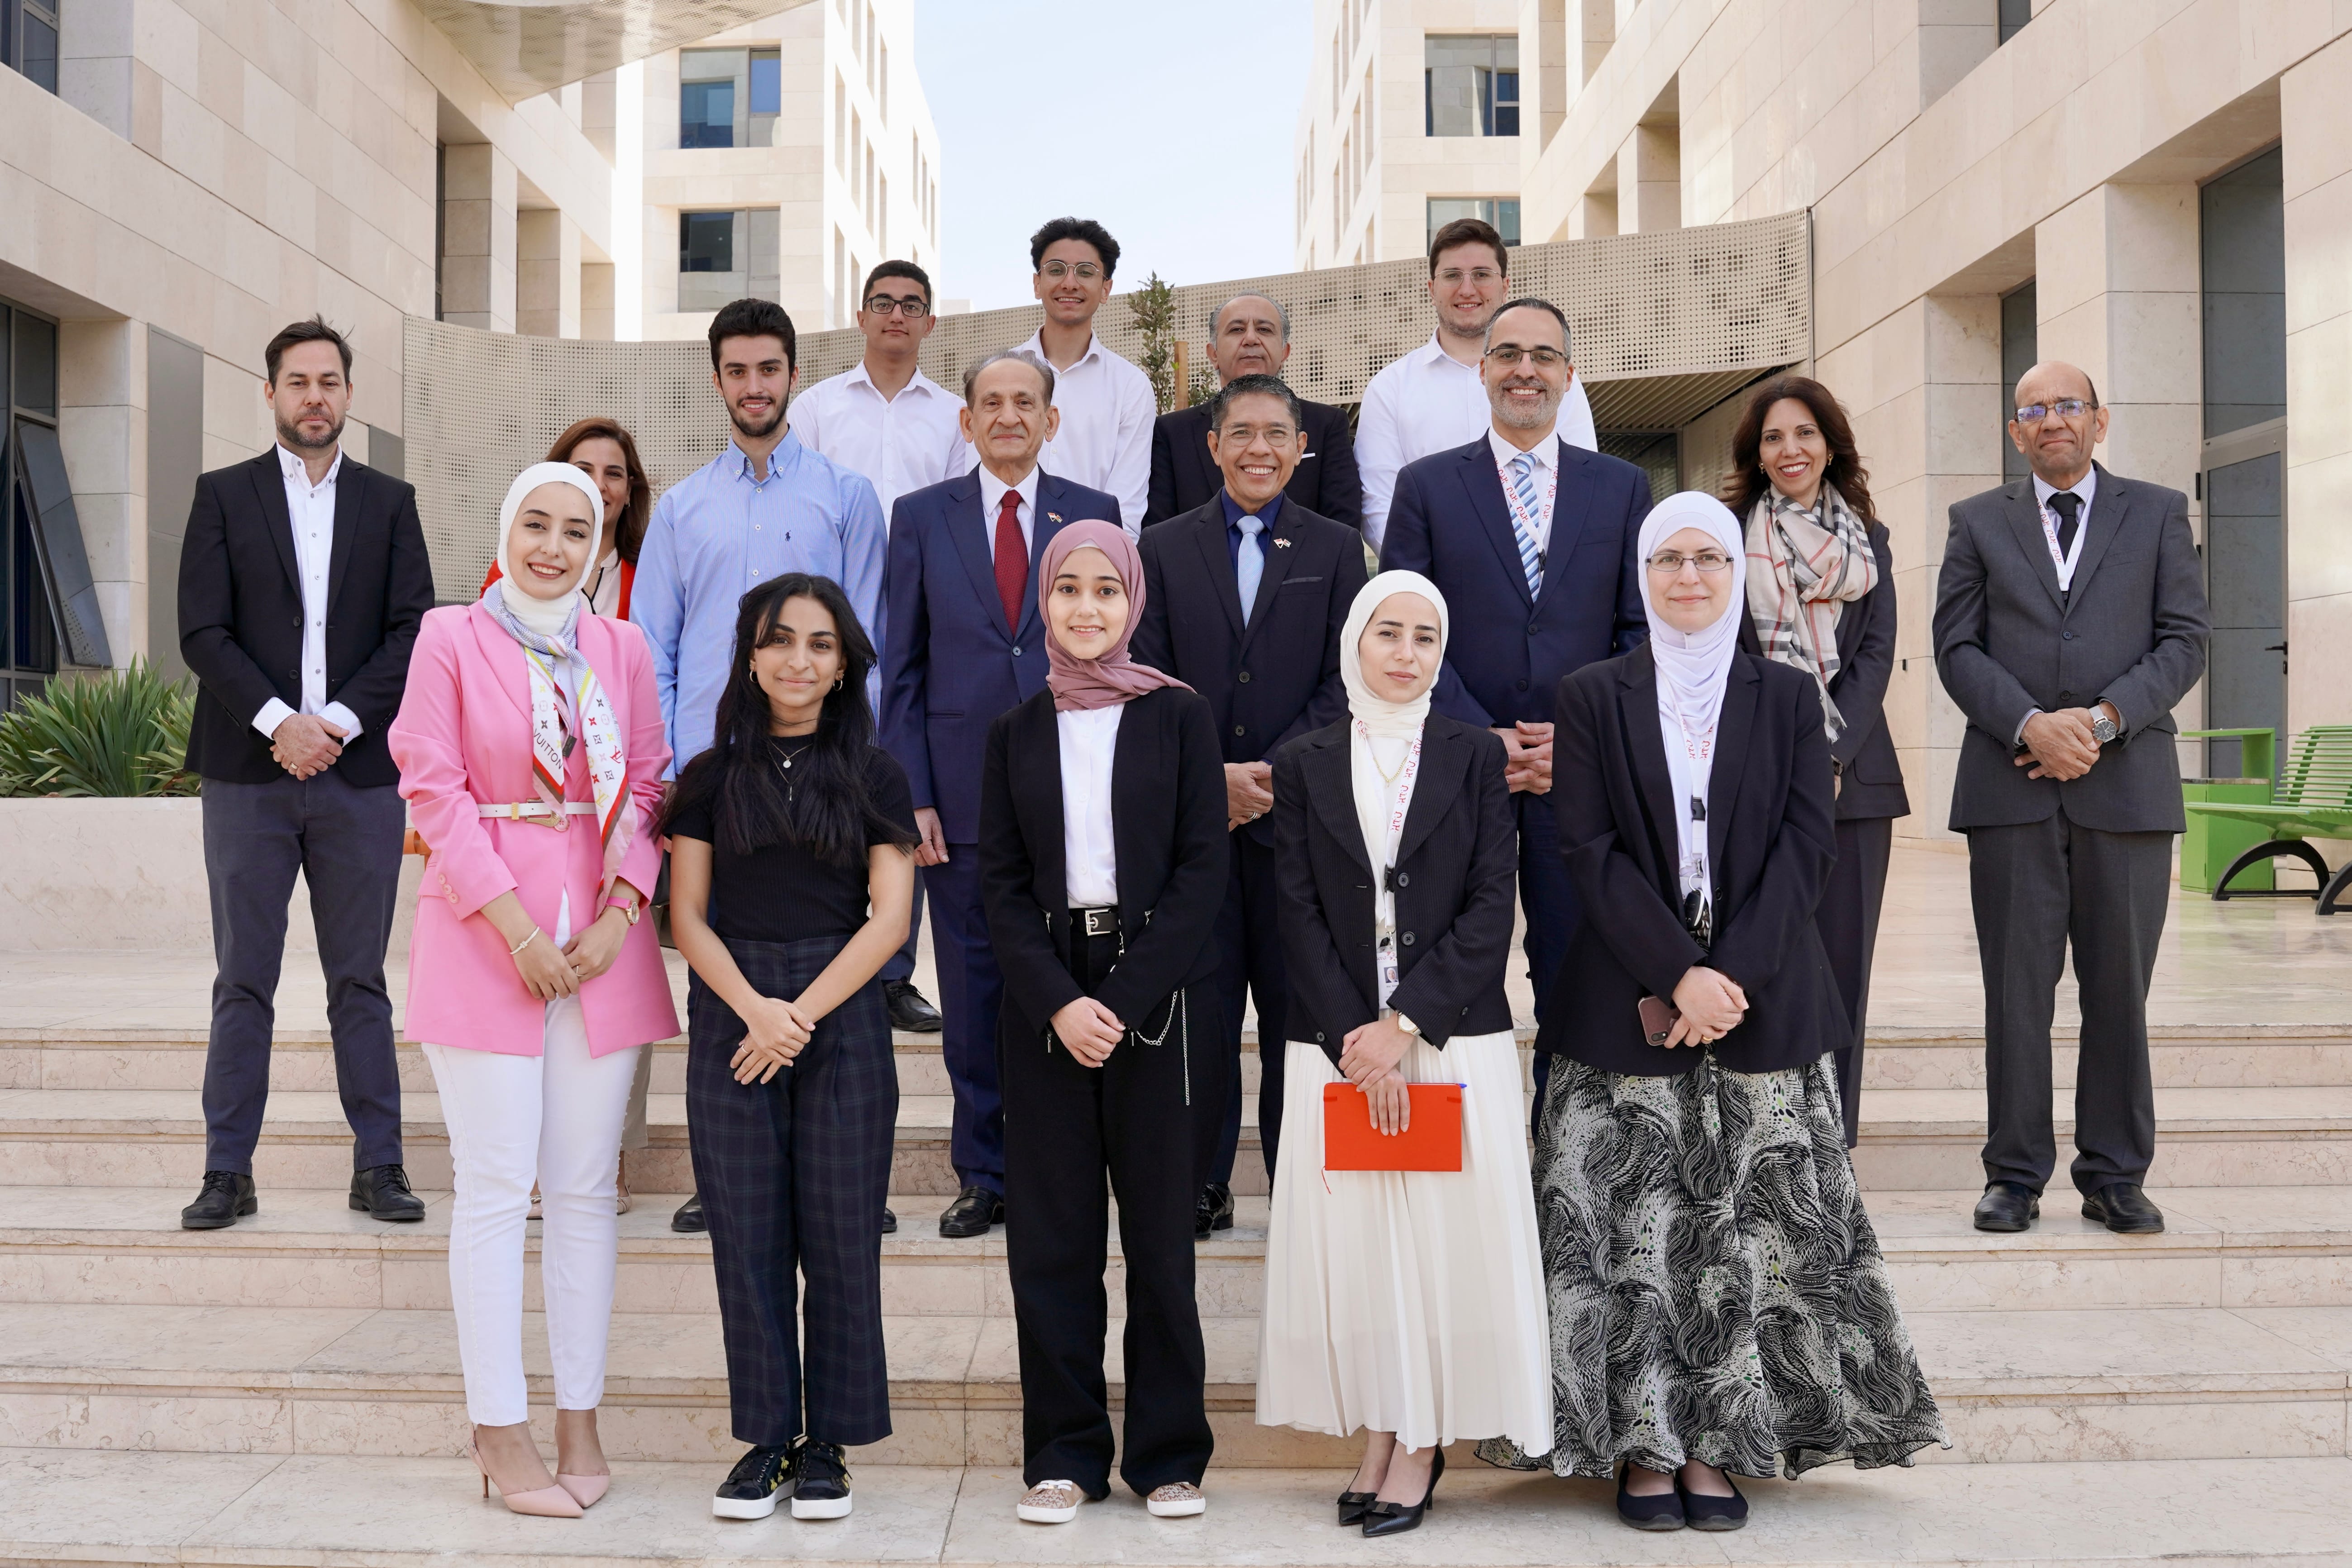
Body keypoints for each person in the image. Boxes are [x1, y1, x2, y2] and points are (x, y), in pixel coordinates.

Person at [1493, 491, 1945, 1530]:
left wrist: (1726, 973)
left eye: (1706, 558)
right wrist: (1674, 972)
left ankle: (1723, 1446)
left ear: (1733, 576)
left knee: (1747, 1243)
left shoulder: (1787, 697)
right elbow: (1587, 851)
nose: (1688, 578)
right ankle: (1643, 1452)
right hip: (1620, 998)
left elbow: (1805, 845)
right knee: (1635, 1244)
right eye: (1667, 561)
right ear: (1641, 577)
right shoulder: (1593, 694)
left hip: (1765, 993)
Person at [389, 463, 677, 1517]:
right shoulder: (450, 636)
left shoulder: (624, 648)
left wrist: (616, 917)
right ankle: (498, 1430)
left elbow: (649, 784)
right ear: (506, 529)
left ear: (601, 547)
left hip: (604, 945)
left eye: (576, 530)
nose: (554, 546)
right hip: (483, 936)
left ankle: (578, 1418)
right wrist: (514, 926)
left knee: (587, 1189)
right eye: (535, 524)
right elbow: (430, 780)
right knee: (499, 1184)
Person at [1255, 571, 1550, 1539]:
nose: (1407, 652)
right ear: (1355, 641)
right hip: (1338, 1051)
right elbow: (1292, 908)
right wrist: (1357, 1035)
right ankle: (1383, 1426)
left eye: (1427, 635)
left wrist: (1403, 1026)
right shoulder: (1302, 760)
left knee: (1438, 1247)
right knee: (1365, 1251)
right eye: (1389, 631)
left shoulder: (1472, 754)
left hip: (1449, 1040)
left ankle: (1423, 1442)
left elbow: (1487, 904)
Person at [978, 520, 1227, 1525]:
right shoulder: (1015, 730)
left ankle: (1168, 1451)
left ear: (1134, 600)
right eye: (1067, 589)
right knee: (1053, 1239)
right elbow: (997, 885)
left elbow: (1203, 869)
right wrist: (1061, 999)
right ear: (1043, 602)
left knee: (1162, 1237)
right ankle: (1065, 1451)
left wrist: (1118, 1002)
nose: (1087, 608)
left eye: (1106, 591)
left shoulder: (1178, 717)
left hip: (1153, 991)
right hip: (1047, 993)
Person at [661, 573, 918, 1524]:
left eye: (819, 643)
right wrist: (755, 1011)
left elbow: (889, 921)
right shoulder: (709, 778)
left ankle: (829, 1443)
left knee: (843, 1237)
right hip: (733, 1010)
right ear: (751, 654)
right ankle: (767, 1438)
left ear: (843, 661)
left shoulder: (875, 774)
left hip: (838, 1011)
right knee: (749, 1238)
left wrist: (797, 1013)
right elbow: (687, 915)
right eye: (779, 641)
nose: (798, 659)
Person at [1932, 361, 2208, 1237]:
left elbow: (2185, 639)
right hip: (2011, 789)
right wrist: (2028, 723)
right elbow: (1956, 647)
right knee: (2015, 991)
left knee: (2118, 989)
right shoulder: (1976, 522)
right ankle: (2013, 1175)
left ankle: (2115, 1173)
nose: (2051, 420)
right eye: (2033, 410)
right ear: (2016, 432)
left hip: (2124, 789)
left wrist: (2098, 720)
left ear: (2100, 420)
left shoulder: (2160, 512)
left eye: (2067, 406)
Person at [635, 296, 889, 1235]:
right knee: (721, 964)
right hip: (715, 780)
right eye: (737, 370)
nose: (754, 386)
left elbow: (868, 642)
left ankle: (837, 1175)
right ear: (718, 380)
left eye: (770, 369)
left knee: (818, 945)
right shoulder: (682, 509)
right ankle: (729, 1173)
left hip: (822, 773)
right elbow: (652, 648)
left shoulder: (844, 495)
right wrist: (668, 779)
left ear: (793, 375)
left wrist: (862, 772)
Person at [176, 315, 434, 1230]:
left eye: (330, 381)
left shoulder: (391, 502)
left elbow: (413, 629)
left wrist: (341, 724)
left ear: (350, 394)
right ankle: (226, 1171)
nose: (315, 396)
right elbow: (203, 631)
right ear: (272, 392)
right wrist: (283, 723)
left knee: (358, 976)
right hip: (248, 773)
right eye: (298, 381)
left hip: (358, 774)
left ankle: (381, 1164)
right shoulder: (222, 495)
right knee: (243, 977)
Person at [882, 350, 1122, 1237]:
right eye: (992, 402)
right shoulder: (919, 518)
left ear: (1051, 419)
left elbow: (1113, 654)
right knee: (978, 993)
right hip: (962, 801)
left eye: (1026, 401)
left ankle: (1060, 1164)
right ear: (967, 420)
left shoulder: (1095, 515)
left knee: (1066, 982)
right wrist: (912, 794)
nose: (1009, 415)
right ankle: (983, 1168)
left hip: (1076, 798)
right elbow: (899, 666)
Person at [1380, 297, 1647, 1070]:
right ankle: (1471, 1155)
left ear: (1569, 374)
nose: (1523, 370)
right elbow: (1404, 630)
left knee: (1575, 967)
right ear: (1483, 371)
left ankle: (1564, 1150)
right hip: (1461, 774)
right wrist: (1478, 738)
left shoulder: (1622, 487)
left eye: (1541, 356)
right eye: (1506, 355)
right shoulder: (1426, 487)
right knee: (1452, 968)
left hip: (1580, 775)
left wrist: (1583, 737)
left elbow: (1637, 631)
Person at [1130, 372, 1363, 1235]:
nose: (1259, 449)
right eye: (1242, 434)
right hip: (1195, 827)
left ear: (1301, 450)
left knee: (1300, 1010)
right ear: (1213, 447)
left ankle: (1298, 1175)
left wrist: (1268, 774)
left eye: (1277, 434)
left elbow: (1349, 679)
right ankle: (1201, 1182)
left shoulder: (1337, 549)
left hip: (1298, 826)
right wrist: (1210, 779)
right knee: (1202, 1009)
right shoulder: (1159, 547)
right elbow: (1145, 677)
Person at [481, 416, 662, 1209]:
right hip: (519, 848)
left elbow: (649, 751)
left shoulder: (638, 596)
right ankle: (527, 1164)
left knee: (609, 1004)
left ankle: (603, 1158)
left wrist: (629, 895)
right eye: (580, 469)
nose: (599, 482)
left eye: (612, 472)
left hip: (614, 834)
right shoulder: (488, 610)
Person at [1724, 377, 1907, 1147]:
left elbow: (1874, 656)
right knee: (1753, 964)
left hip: (1853, 787)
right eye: (1772, 438)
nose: (1789, 449)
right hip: (1751, 781)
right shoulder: (1728, 536)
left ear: (1829, 444)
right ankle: (1759, 1134)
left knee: (1839, 972)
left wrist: (1827, 754)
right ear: (1756, 456)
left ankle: (1832, 1144)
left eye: (1803, 434)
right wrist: (1782, 757)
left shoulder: (1871, 539)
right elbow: (1721, 655)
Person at [792, 257, 964, 1036]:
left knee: (902, 785)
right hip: (832, 620)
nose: (896, 316)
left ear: (930, 322)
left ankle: (894, 972)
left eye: (912, 305)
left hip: (926, 625)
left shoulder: (954, 415)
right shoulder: (818, 409)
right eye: (883, 303)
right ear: (861, 317)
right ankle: (834, 958)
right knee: (827, 784)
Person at [1354, 218, 1598, 550]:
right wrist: (1428, 581)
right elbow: (1380, 505)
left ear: (1505, 285)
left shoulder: (1549, 379)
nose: (1467, 289)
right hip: (1434, 591)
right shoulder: (1389, 388)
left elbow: (1581, 486)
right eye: (1452, 275)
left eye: (1481, 275)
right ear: (1431, 288)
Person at [963, 217, 1153, 534]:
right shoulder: (994, 376)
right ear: (1037, 284)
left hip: (1088, 564)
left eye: (1085, 272)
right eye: (1055, 270)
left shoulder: (1130, 386)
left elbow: (1126, 508)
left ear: (1106, 288)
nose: (1069, 283)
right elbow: (975, 476)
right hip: (1001, 551)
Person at [1142, 293, 1362, 529]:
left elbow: (1343, 527)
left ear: (1285, 353)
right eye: (1236, 330)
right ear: (1213, 354)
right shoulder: (1172, 433)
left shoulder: (1326, 424)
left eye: (1265, 330)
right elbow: (1160, 535)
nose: (1251, 339)